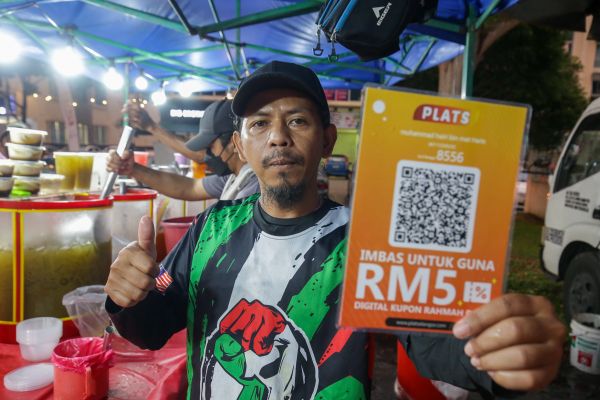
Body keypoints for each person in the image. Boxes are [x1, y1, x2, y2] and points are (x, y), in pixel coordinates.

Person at [104, 61, 566, 399]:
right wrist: (131, 295)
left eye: (297, 120)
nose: (278, 136)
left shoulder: (367, 243)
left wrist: (497, 353)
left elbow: (435, 342)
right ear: (241, 147)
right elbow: (152, 324)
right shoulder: (208, 231)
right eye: (260, 124)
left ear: (326, 140)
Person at [107, 99, 259, 201]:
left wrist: (152, 127)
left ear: (234, 143)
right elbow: (188, 188)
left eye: (211, 146)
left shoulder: (253, 185)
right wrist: (133, 169)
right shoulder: (233, 177)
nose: (208, 154)